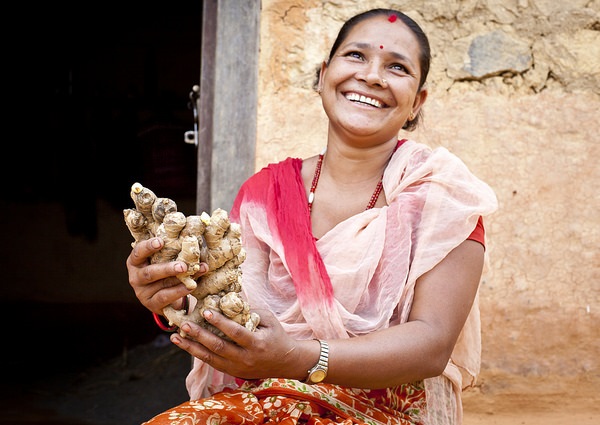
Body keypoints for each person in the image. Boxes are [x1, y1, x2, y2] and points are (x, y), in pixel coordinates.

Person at [126, 8, 498, 425]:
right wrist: (174, 296)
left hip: (384, 414)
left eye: (397, 67)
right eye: (356, 55)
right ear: (323, 75)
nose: (373, 76)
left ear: (417, 102)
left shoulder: (442, 197)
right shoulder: (265, 195)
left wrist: (300, 357)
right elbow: (235, 312)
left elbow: (432, 343)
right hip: (266, 401)